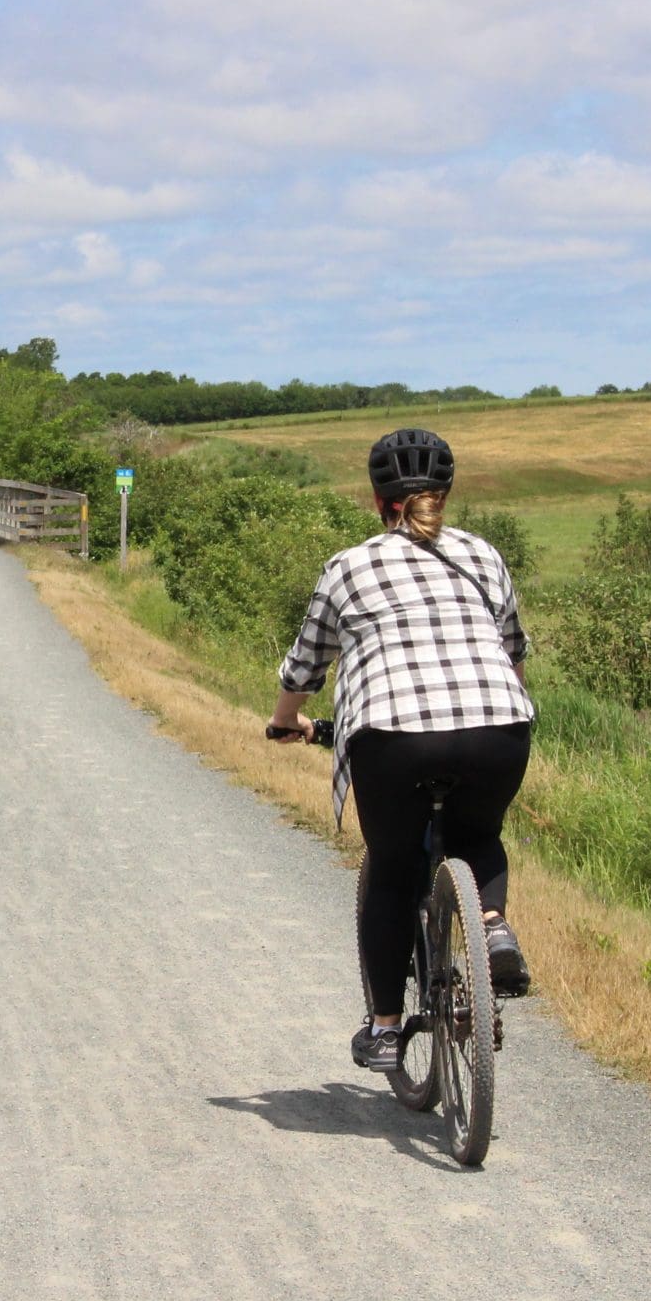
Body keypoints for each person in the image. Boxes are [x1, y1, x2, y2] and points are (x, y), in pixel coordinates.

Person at [267, 428, 534, 1074]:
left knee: (390, 866)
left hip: (394, 736)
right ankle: (491, 924)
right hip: (499, 724)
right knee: (479, 833)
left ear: (376, 499)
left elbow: (305, 666)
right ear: (445, 494)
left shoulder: (349, 566)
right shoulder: (483, 556)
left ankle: (387, 1028)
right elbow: (514, 649)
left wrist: (287, 722)